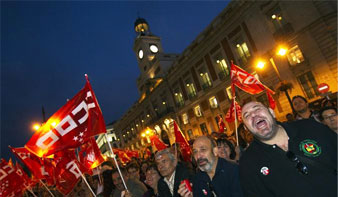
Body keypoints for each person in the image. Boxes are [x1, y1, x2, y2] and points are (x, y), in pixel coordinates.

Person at [239, 101, 337, 196]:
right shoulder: (248, 163)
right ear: (246, 128)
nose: (253, 115)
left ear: (271, 112)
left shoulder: (310, 127)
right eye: (247, 115)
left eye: (257, 109)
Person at [178, 136, 243, 197]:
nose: (198, 156)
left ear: (215, 151)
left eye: (203, 150)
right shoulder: (197, 180)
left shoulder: (234, 171)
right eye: (195, 152)